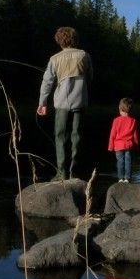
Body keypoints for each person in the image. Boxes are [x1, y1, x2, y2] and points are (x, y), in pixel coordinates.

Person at [37, 27, 93, 180]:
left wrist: (42, 102)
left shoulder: (54, 59)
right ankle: (74, 172)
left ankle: (61, 173)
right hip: (81, 101)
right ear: (75, 39)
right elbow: (90, 78)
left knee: (60, 137)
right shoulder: (85, 55)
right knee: (77, 136)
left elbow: (47, 82)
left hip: (61, 103)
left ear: (59, 41)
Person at [108, 97, 139, 183]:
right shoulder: (133, 121)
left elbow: (112, 135)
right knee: (128, 162)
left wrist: (110, 147)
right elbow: (135, 135)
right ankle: (127, 178)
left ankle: (120, 179)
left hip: (118, 146)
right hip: (129, 145)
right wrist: (136, 146)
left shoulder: (116, 121)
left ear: (120, 109)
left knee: (120, 162)